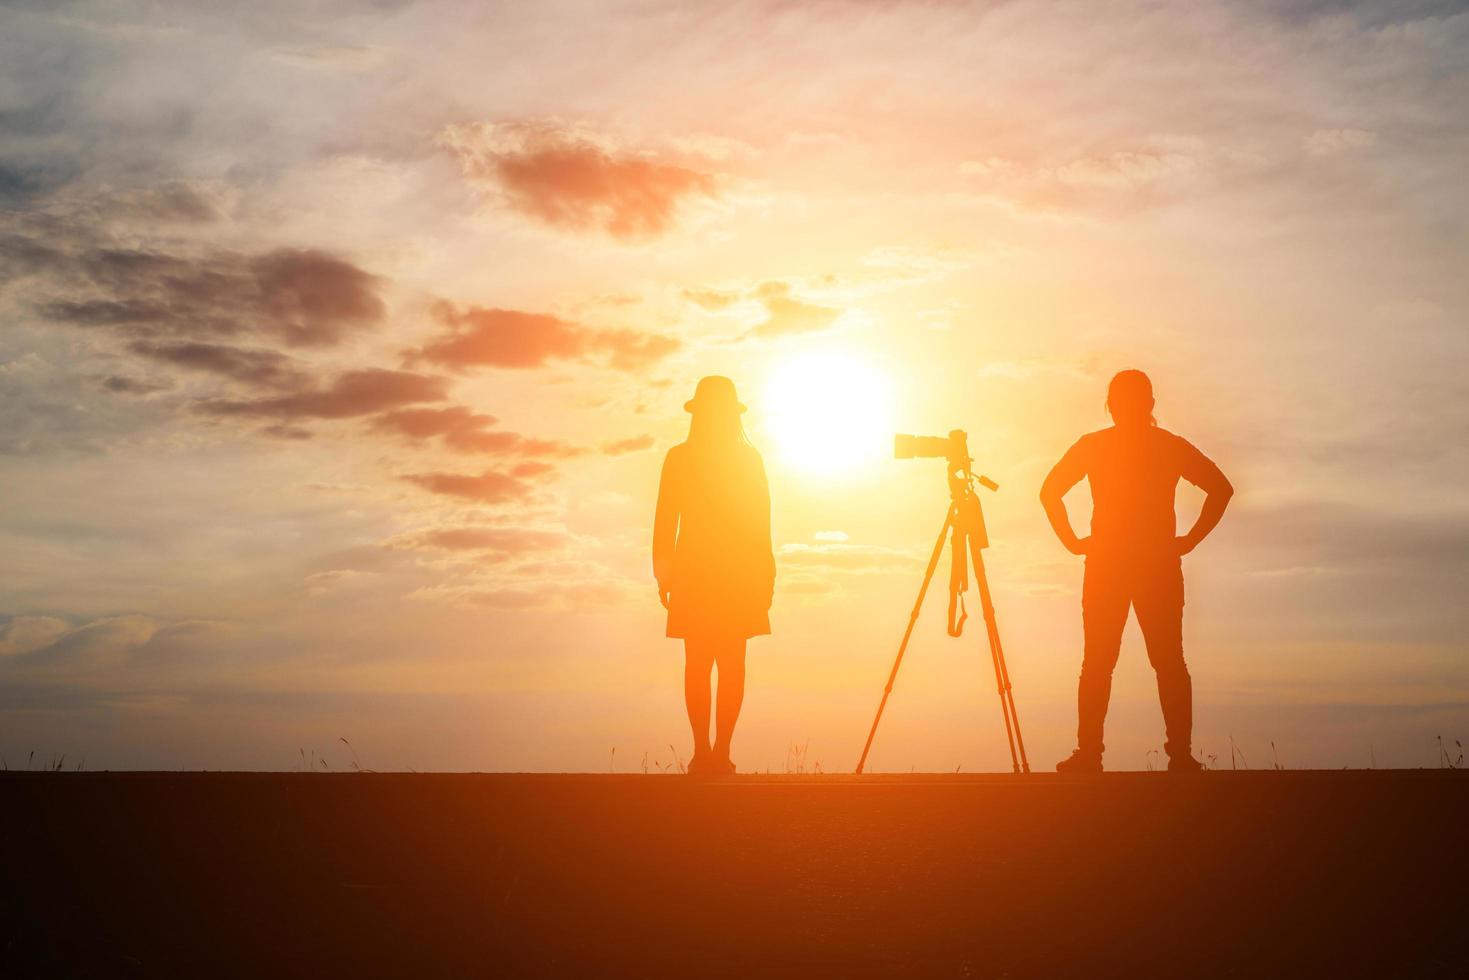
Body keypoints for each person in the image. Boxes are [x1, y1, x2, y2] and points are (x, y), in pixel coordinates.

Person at [1039, 370, 1233, 773]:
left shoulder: (1097, 446)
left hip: (1117, 565)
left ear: (1115, 404)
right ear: (1150, 404)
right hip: (1150, 564)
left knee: (1104, 663)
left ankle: (1094, 754)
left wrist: (1073, 542)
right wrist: (1189, 539)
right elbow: (1221, 488)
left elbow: (1049, 491)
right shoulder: (1166, 446)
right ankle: (1175, 756)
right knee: (1162, 662)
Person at [653, 376, 775, 776]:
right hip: (725, 573)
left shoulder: (686, 457)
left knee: (705, 662)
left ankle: (711, 751)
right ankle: (713, 751)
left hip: (708, 572)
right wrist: (663, 572)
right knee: (724, 662)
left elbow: (665, 520)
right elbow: (760, 524)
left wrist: (664, 572)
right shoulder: (738, 459)